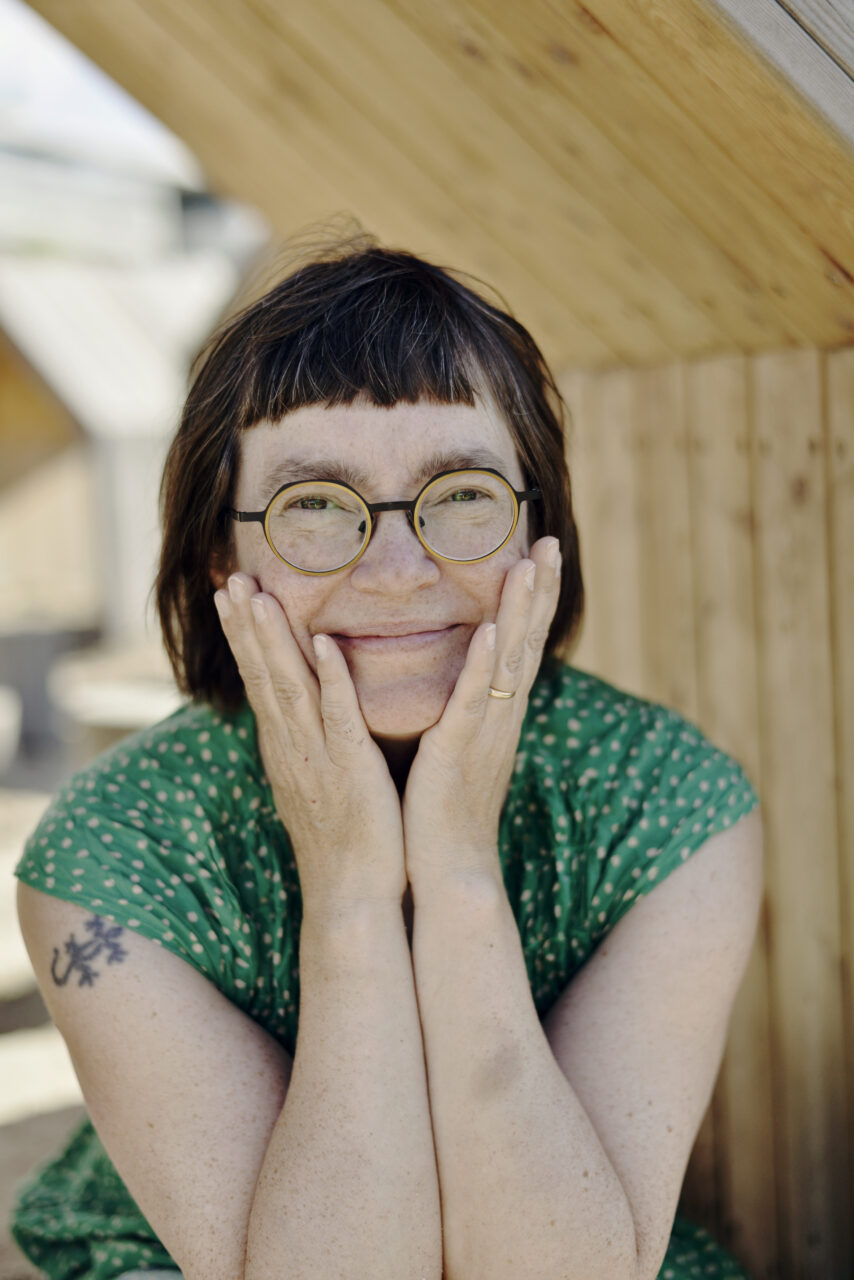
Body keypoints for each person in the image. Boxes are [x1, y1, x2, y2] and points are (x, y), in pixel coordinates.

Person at [11, 233, 764, 1280]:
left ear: (536, 532)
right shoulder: (110, 854)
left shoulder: (667, 803)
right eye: (316, 505)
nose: (399, 569)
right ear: (222, 553)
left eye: (461, 492)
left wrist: (456, 874)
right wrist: (350, 895)